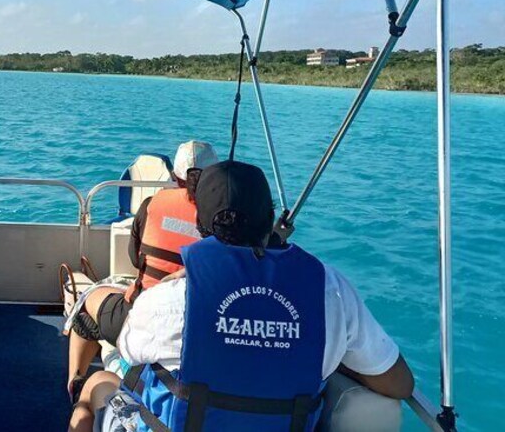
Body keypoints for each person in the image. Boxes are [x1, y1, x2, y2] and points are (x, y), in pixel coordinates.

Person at [70, 160, 415, 432]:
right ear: (270, 221)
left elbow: (131, 354)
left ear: (200, 227)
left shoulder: (169, 299)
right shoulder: (330, 292)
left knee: (98, 383)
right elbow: (399, 383)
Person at [66, 141, 218, 401]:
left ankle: (75, 385)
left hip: (142, 312)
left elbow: (136, 259)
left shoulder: (153, 204)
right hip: (202, 324)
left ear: (174, 177)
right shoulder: (222, 219)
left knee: (86, 309)